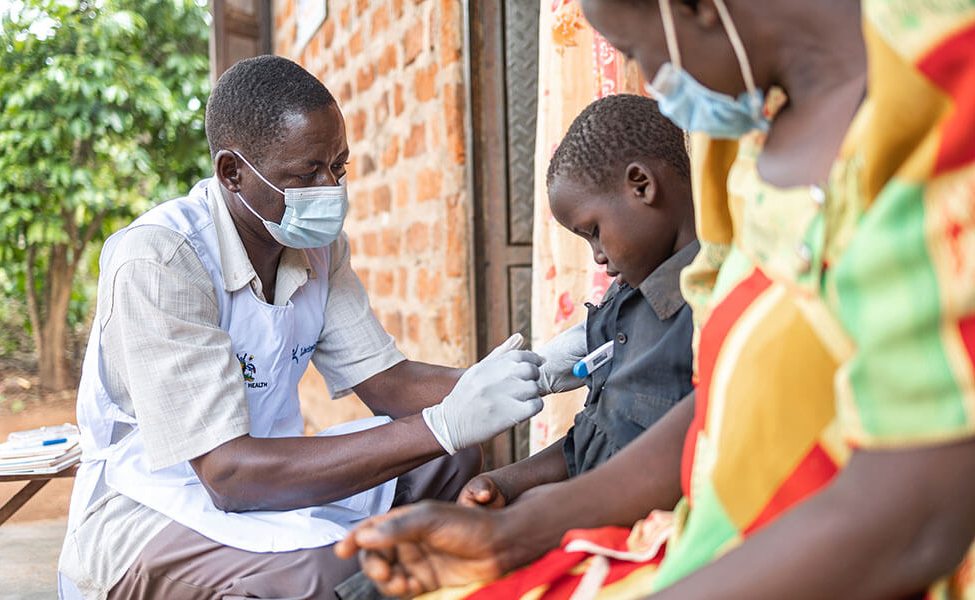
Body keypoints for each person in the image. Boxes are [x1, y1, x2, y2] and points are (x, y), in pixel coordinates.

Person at [335, 1, 975, 598]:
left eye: (639, 50)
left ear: (696, 7)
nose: (654, 81)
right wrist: (516, 531)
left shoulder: (943, 94)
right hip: (708, 539)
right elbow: (719, 409)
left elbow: (917, 512)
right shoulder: (749, 132)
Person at [58, 55, 584, 600]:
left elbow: (390, 384)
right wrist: (443, 424)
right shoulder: (162, 262)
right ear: (231, 173)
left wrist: (536, 372)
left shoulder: (316, 248)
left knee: (450, 461)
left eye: (339, 167)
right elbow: (228, 473)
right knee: (323, 572)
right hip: (151, 503)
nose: (329, 189)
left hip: (266, 470)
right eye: (306, 173)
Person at [456, 94, 697, 511]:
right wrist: (504, 482)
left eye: (594, 231)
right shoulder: (621, 306)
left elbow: (665, 467)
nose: (598, 258)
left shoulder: (706, 308)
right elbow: (595, 435)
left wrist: (534, 513)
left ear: (641, 185)